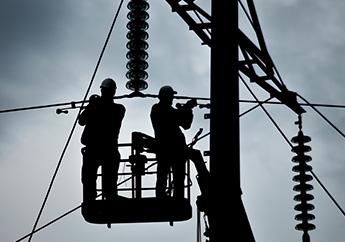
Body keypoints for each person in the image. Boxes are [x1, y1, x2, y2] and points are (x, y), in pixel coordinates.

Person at [78, 78, 126, 201]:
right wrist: (90, 106)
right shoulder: (96, 107)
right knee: (89, 178)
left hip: (105, 149)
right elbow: (81, 121)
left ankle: (107, 195)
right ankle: (96, 196)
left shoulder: (118, 109)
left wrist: (93, 105)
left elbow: (85, 120)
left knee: (104, 177)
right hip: (98, 149)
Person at [150, 85, 197, 198]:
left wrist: (187, 109)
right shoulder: (158, 109)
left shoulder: (162, 110)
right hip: (171, 149)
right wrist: (187, 108)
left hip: (169, 150)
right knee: (169, 175)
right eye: (171, 96)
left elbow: (185, 124)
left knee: (172, 175)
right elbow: (178, 118)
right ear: (166, 97)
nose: (172, 99)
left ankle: (170, 197)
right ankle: (168, 197)